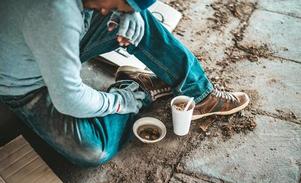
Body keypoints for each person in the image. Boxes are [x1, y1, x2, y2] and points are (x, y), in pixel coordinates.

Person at [0, 0, 249, 167]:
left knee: (138, 25)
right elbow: (69, 99)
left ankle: (200, 93)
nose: (126, 9)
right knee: (92, 150)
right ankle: (136, 89)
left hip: (54, 41)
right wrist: (122, 102)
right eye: (122, 3)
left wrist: (133, 13)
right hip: (27, 86)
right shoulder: (55, 13)